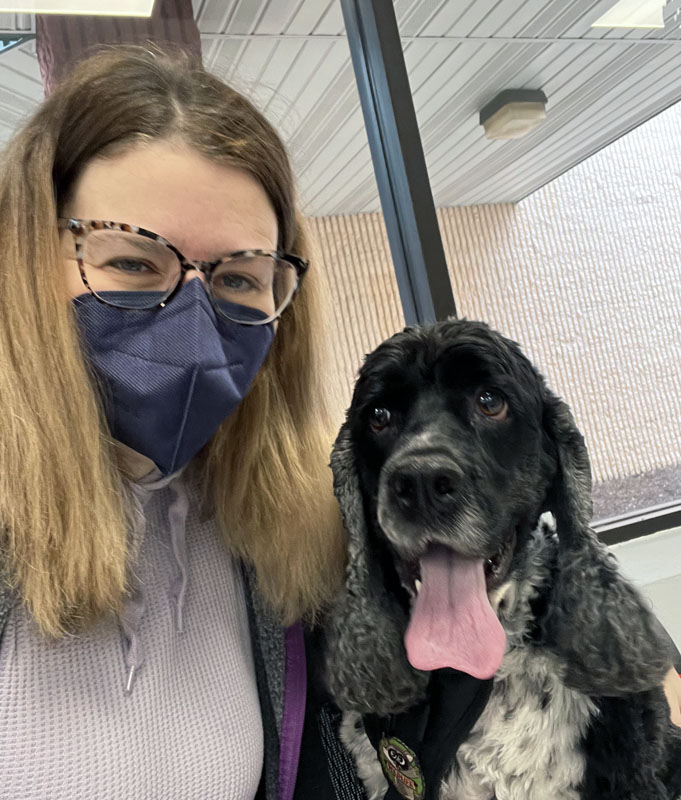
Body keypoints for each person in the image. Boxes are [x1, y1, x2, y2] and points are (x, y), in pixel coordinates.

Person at [0, 45, 678, 800]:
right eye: (130, 262)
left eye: (235, 278)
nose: (190, 325)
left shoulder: (283, 547)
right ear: (25, 256)